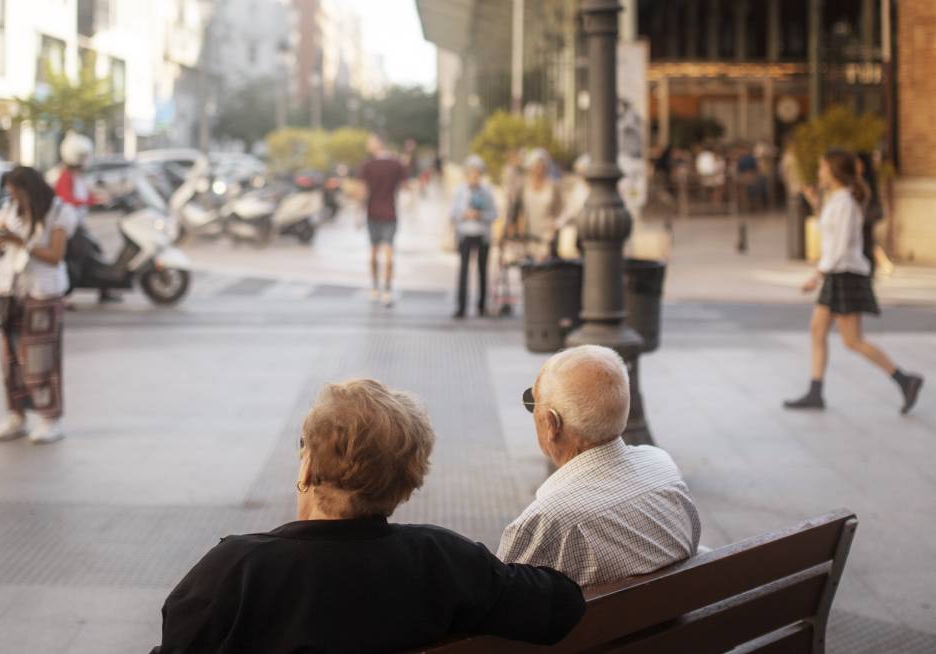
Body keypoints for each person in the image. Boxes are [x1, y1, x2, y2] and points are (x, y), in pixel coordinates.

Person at [152, 379, 586, 654]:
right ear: (408, 480)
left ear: (307, 467)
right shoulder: (441, 558)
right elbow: (561, 607)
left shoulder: (236, 571)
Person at [498, 345, 701, 587]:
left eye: (533, 403)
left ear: (552, 423)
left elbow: (503, 606)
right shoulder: (662, 466)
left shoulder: (543, 522)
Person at [785, 149, 923, 414]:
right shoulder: (838, 199)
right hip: (838, 275)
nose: (819, 173)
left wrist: (817, 275)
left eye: (822, 168)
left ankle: (905, 380)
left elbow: (840, 248)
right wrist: (815, 203)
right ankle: (816, 391)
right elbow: (830, 233)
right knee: (817, 330)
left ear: (834, 171)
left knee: (852, 340)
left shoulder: (846, 202)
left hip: (846, 276)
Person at [0, 167, 79, 445]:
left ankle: (51, 419)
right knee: (12, 361)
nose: (14, 197)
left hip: (43, 293)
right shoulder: (11, 210)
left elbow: (55, 255)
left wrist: (23, 243)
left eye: (18, 192)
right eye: (11, 193)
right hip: (11, 291)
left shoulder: (59, 212)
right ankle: (17, 415)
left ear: (32, 189)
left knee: (40, 360)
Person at [53, 132, 119, 303]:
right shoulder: (65, 177)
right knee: (80, 259)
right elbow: (67, 199)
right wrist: (89, 201)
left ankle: (106, 289)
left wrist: (98, 198)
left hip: (78, 225)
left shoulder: (77, 177)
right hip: (70, 228)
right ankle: (64, 296)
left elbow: (85, 196)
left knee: (96, 252)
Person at [358, 134, 409, 307]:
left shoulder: (367, 165)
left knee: (373, 253)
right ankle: (387, 290)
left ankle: (375, 288)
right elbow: (405, 187)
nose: (368, 146)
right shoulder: (396, 164)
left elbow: (362, 191)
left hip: (373, 214)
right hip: (390, 214)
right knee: (388, 252)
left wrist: (358, 215)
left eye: (369, 143)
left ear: (377, 144)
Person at [450, 155, 497, 319]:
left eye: (477, 173)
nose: (474, 176)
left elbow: (493, 214)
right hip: (465, 234)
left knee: (483, 271)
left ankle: (482, 305)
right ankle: (461, 307)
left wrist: (480, 215)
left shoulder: (487, 191)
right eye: (471, 172)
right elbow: (453, 213)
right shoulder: (460, 191)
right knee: (463, 271)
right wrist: (465, 215)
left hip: (482, 234)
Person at [510, 148, 562, 260]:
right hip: (528, 237)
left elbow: (559, 212)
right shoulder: (524, 187)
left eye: (542, 166)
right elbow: (518, 211)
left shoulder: (553, 187)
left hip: (547, 238)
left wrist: (554, 231)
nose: (539, 169)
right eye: (536, 166)